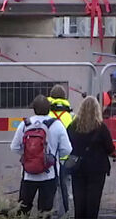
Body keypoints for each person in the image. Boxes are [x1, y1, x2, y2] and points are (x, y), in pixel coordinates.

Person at [10, 95, 73, 217]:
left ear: (33, 108)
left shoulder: (25, 124)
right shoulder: (57, 125)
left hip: (28, 174)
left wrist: (28, 155)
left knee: (23, 209)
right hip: (49, 174)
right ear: (49, 108)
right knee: (45, 211)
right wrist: (55, 157)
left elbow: (14, 147)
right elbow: (67, 149)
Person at [67, 96, 115, 219]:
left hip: (78, 168)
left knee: (79, 203)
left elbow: (67, 146)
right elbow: (110, 148)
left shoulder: (73, 127)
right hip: (97, 170)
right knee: (93, 204)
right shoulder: (101, 128)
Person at [48, 85, 74, 216]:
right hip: (66, 158)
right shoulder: (71, 116)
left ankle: (48, 213)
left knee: (48, 187)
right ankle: (63, 214)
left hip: (48, 158)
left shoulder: (45, 113)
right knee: (64, 189)